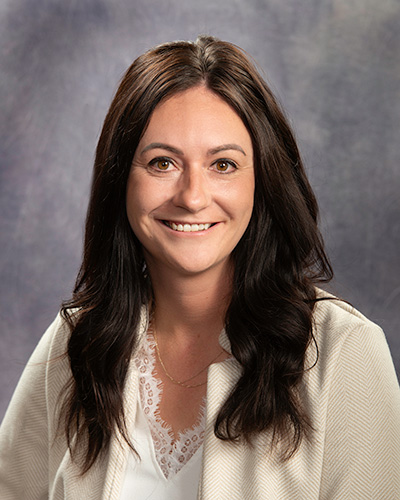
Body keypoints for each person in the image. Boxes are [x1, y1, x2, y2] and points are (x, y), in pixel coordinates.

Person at [0, 35, 399, 500]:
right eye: (162, 162)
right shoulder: (78, 344)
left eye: (224, 164)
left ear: (262, 181)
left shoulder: (342, 352)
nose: (192, 197)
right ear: (120, 180)